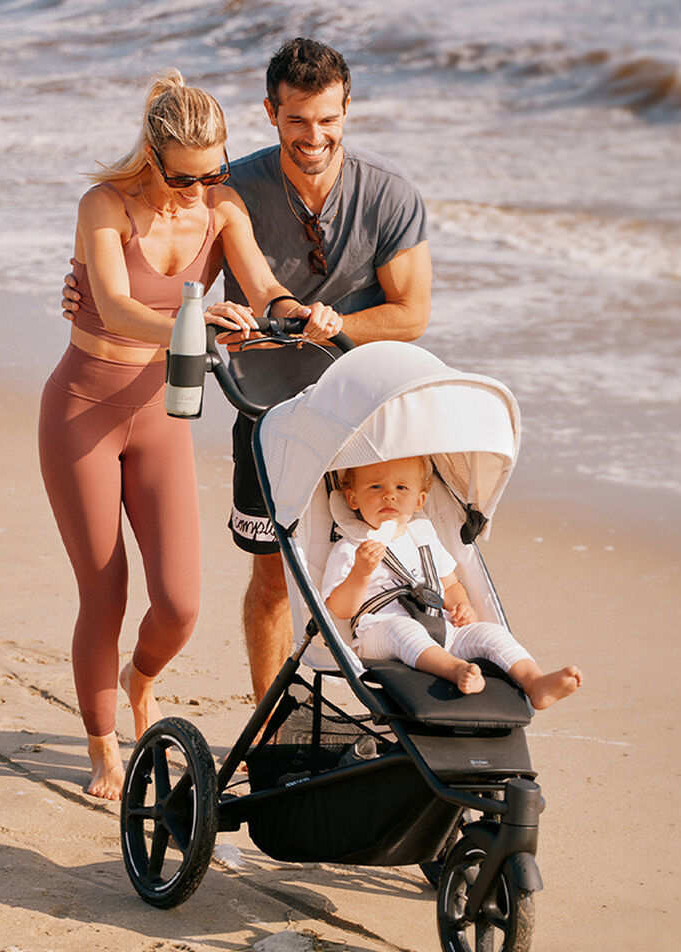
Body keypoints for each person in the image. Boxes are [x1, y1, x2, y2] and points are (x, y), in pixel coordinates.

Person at [64, 37, 433, 702]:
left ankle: (401, 711)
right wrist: (87, 291)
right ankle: (270, 722)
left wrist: (328, 321)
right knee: (270, 577)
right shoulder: (231, 185)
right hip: (266, 413)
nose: (312, 135)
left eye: (327, 118)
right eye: (296, 119)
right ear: (271, 112)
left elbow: (407, 314)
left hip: (366, 416)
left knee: (384, 567)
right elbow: (148, 256)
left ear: (348, 109)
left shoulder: (387, 197)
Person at [42, 69, 302, 799]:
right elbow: (115, 306)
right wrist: (192, 325)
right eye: (184, 178)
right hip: (81, 411)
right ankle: (102, 748)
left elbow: (259, 285)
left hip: (161, 416)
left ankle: (139, 677)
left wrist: (290, 310)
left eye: (211, 173)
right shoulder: (104, 205)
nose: (197, 189)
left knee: (181, 605)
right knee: (105, 594)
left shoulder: (220, 209)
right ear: (152, 157)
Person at [322, 458, 585, 709]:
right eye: (376, 486)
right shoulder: (350, 547)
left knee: (490, 634)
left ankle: (534, 682)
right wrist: (361, 572)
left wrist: (461, 606)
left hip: (440, 626)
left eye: (402, 488)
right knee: (402, 629)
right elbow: (341, 609)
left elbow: (450, 585)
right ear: (352, 499)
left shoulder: (424, 539)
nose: (389, 495)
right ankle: (454, 669)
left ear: (419, 501)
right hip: (380, 632)